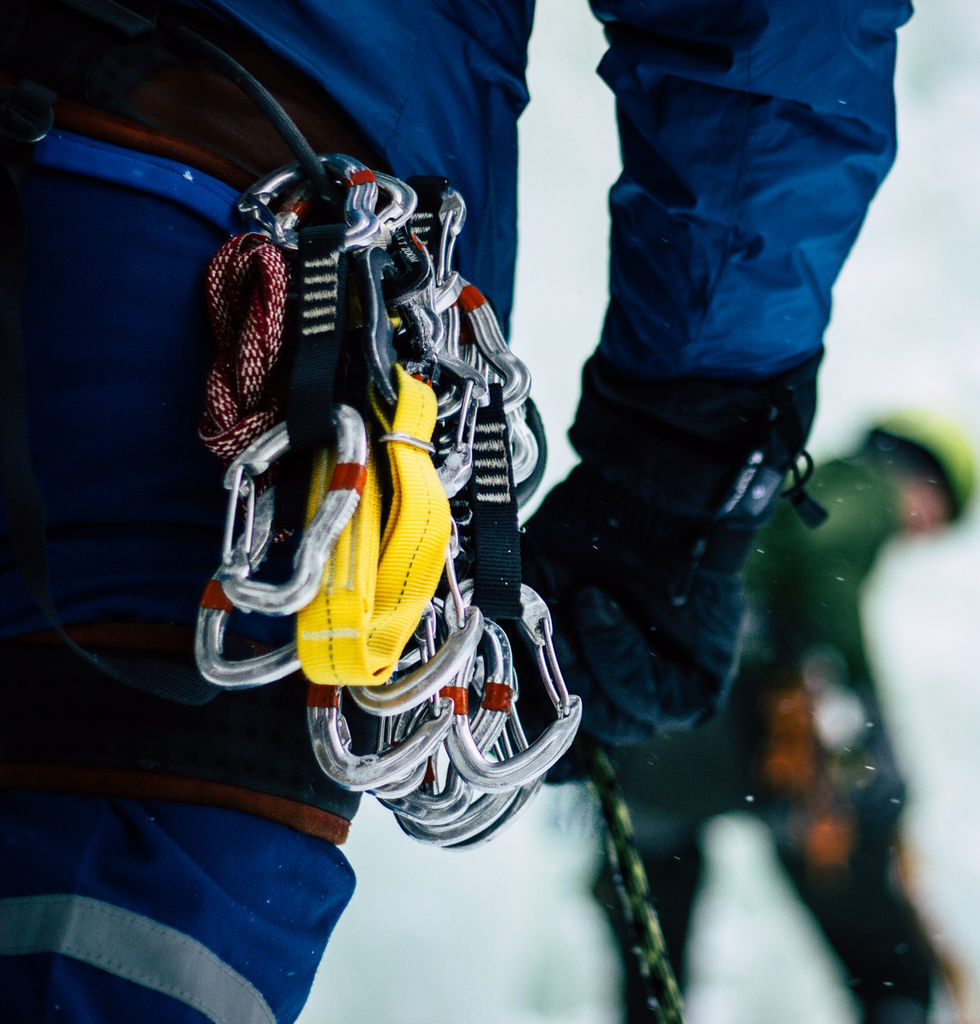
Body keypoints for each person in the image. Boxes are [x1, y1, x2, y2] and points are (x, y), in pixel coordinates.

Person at [0, 1, 913, 1021]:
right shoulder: (869, 509)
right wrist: (682, 476)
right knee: (114, 945)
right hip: (249, 245)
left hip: (173, 197)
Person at [597, 413, 980, 1024]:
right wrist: (866, 699)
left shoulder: (795, 494)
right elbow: (824, 552)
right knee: (853, 841)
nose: (920, 534)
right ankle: (898, 1001)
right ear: (925, 480)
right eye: (937, 518)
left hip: (654, 724)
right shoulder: (866, 486)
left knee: (655, 932)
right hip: (733, 711)